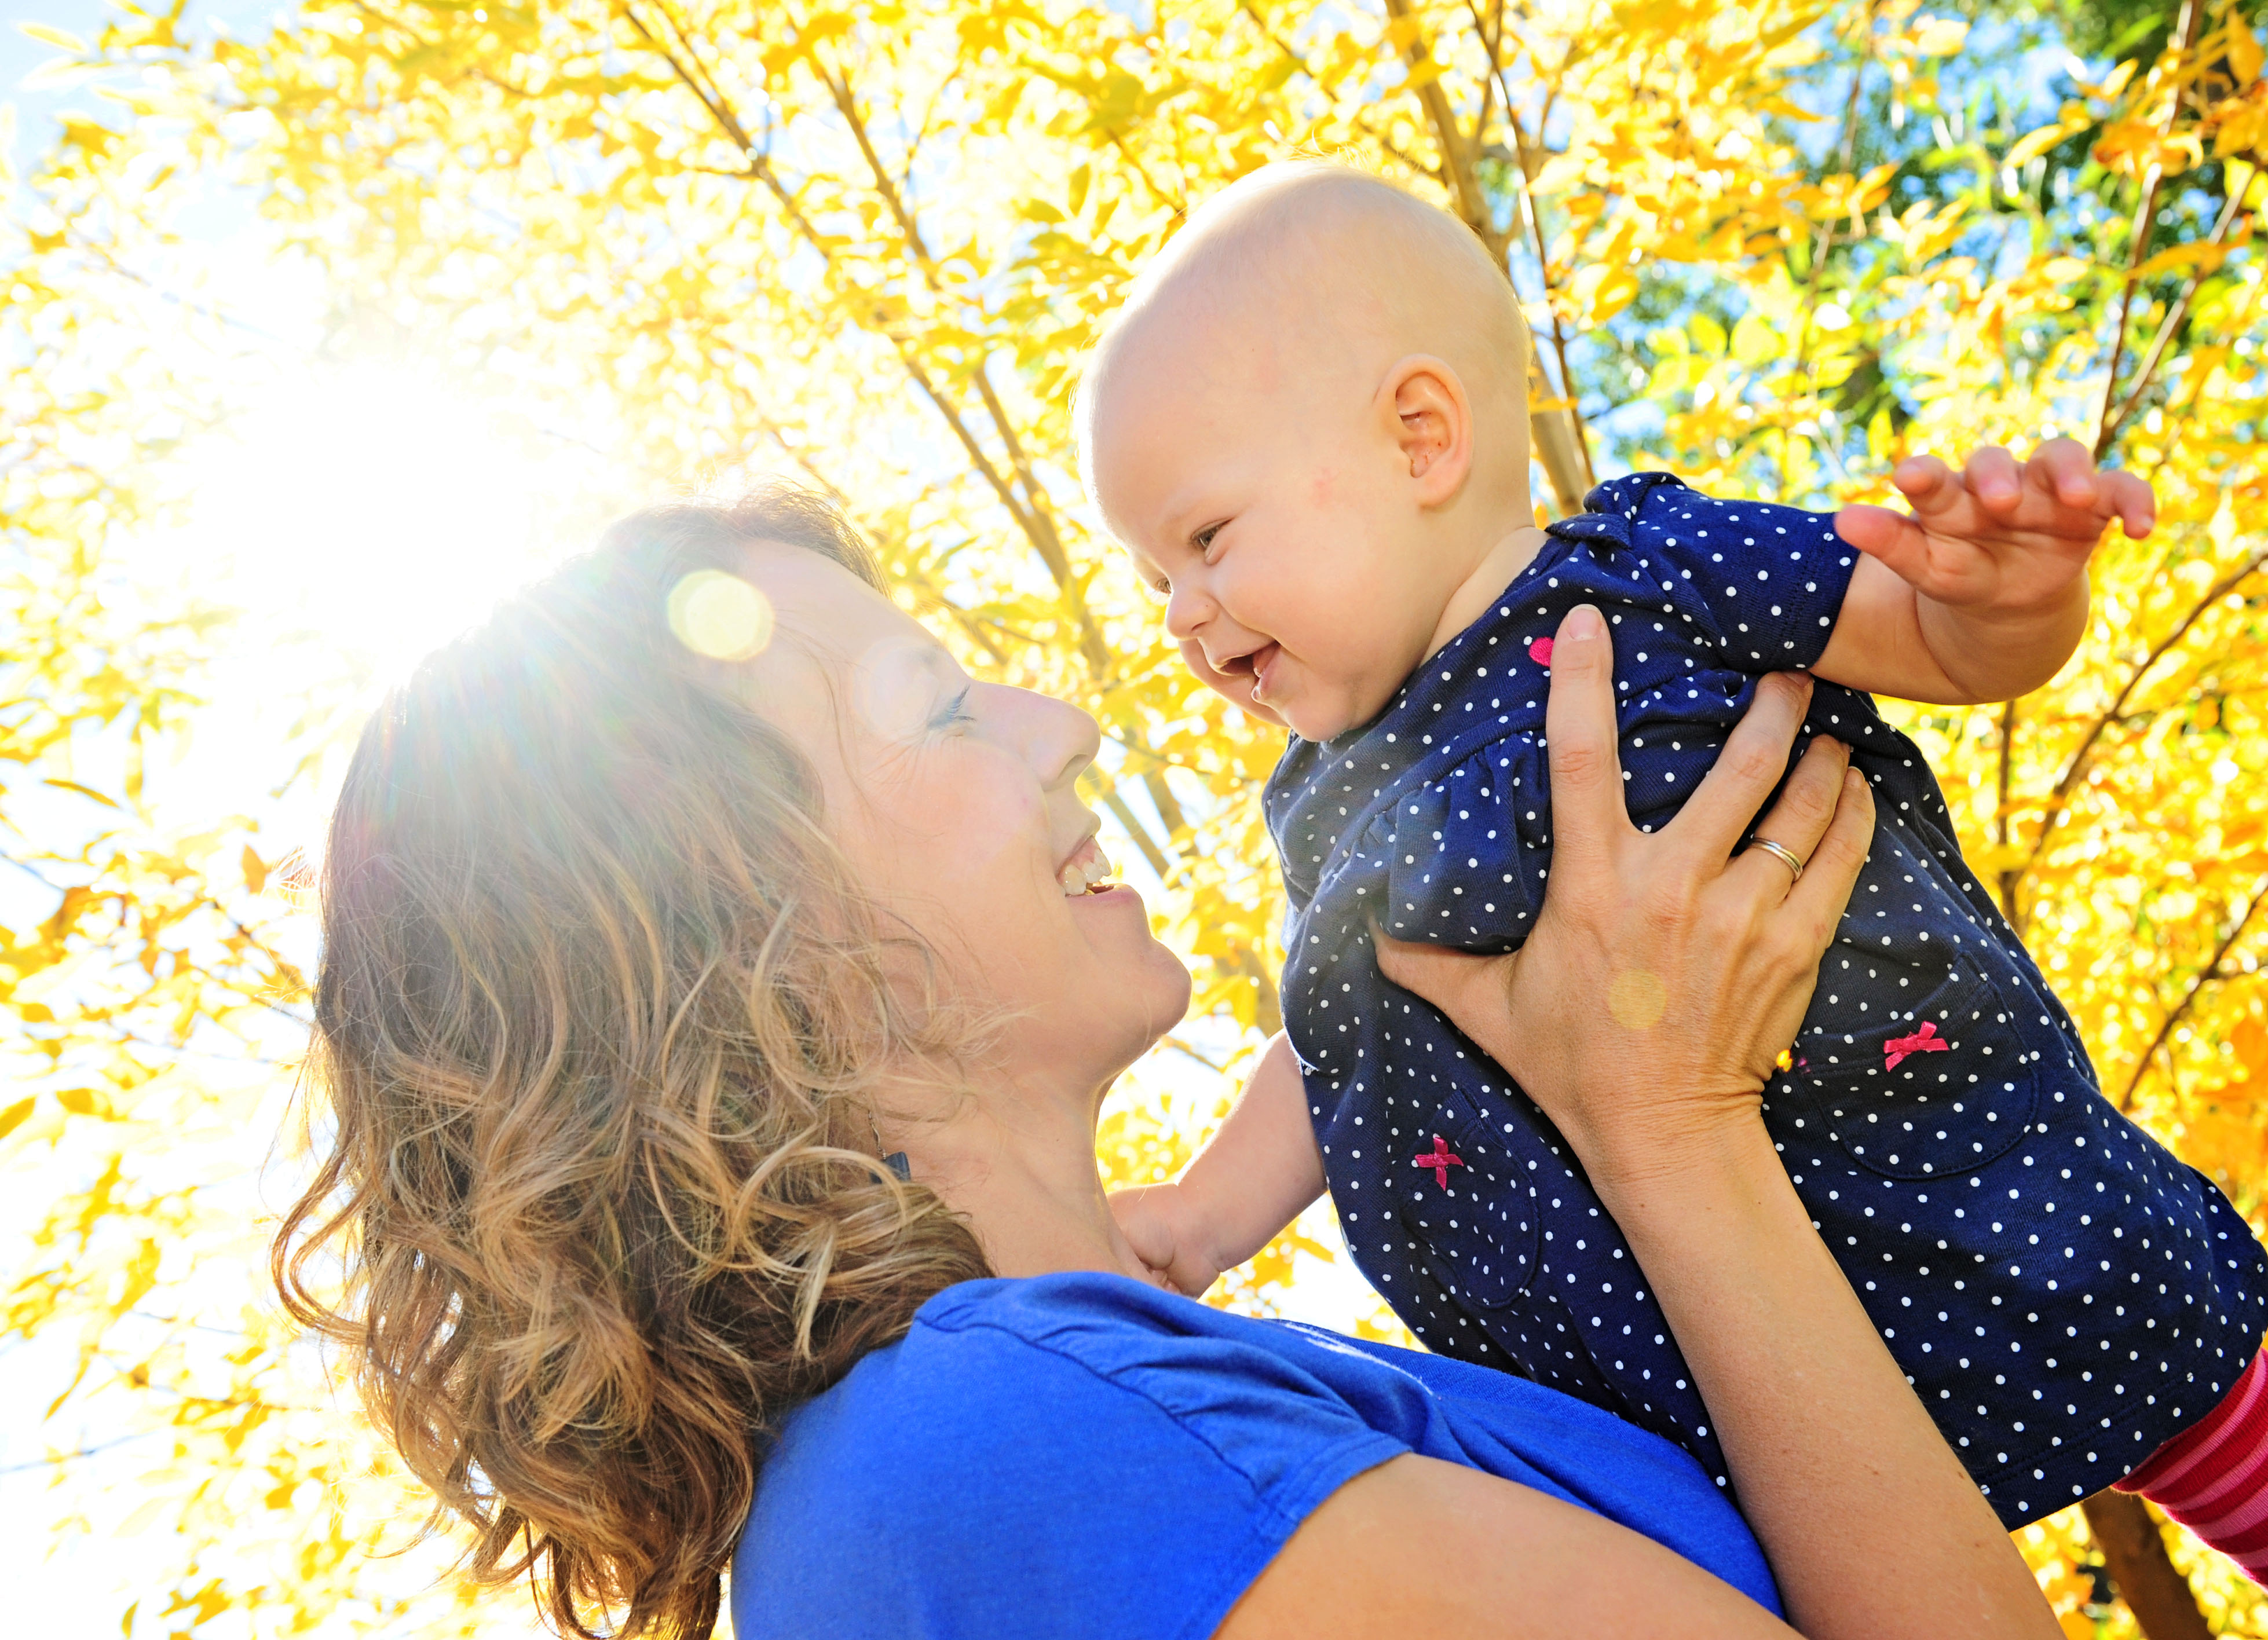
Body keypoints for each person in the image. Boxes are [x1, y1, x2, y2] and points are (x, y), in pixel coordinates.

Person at [279, 486, 2070, 1640]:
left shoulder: (1075, 1430)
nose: (1066, 726)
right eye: (943, 711)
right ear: (752, 953)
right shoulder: (1006, 1452)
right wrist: (1675, 1130)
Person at [1082, 162, 2268, 1640]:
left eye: (1207, 539)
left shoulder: (1648, 570)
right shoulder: (1331, 797)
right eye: (1154, 572)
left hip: (1932, 1153)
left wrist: (2006, 596)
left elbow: (1931, 635)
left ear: (1422, 436)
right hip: (1657, 1345)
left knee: (2161, 1357)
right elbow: (1350, 1036)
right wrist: (1210, 1216)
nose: (1178, 611)